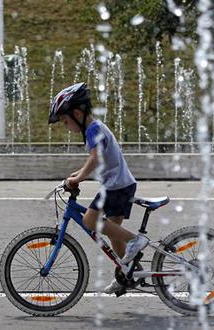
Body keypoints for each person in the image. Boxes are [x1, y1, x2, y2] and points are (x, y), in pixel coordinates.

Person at [48, 82, 149, 294]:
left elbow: (96, 158)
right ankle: (126, 273)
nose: (67, 127)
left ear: (77, 113)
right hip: (121, 185)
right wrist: (78, 174)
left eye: (66, 122)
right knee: (114, 235)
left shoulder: (93, 129)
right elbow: (95, 160)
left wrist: (80, 178)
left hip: (116, 187)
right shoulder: (94, 129)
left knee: (90, 220)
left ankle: (136, 241)